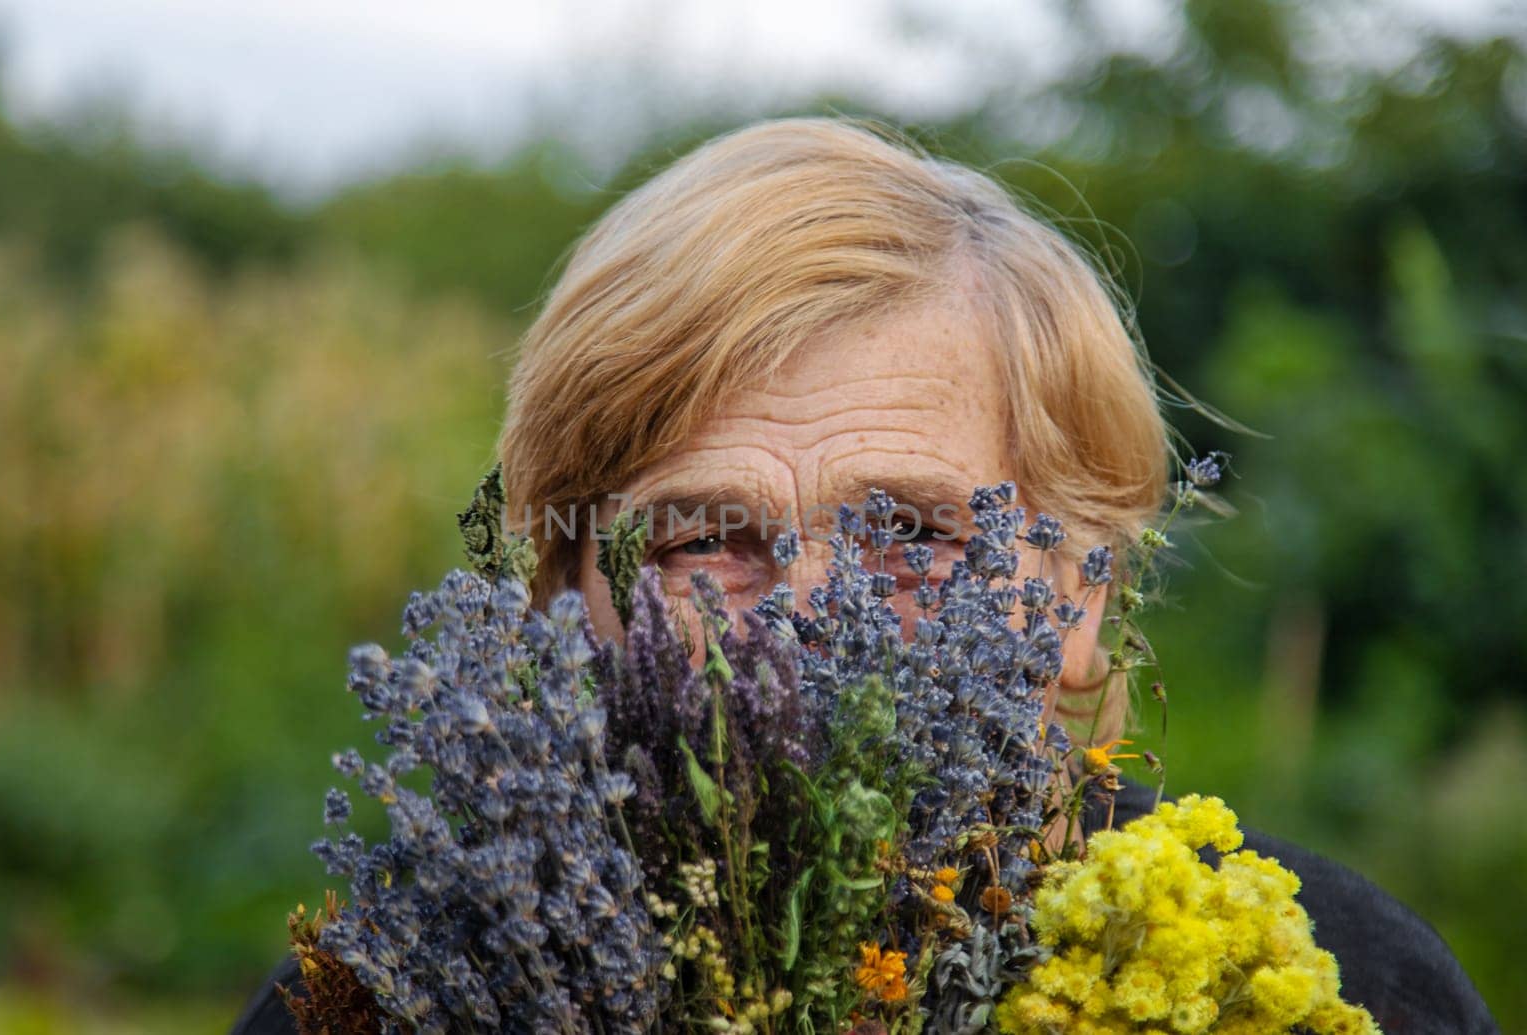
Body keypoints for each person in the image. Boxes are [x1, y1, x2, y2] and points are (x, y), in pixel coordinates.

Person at [230, 116, 1495, 1034]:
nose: (801, 628)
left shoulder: (1321, 984)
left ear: (1078, 592)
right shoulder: (399, 995)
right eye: (701, 539)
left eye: (914, 534)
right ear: (564, 604)